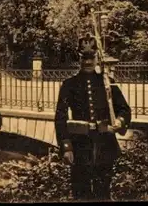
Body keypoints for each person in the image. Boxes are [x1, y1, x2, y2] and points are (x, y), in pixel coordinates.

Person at [54, 33, 132, 201]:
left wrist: (120, 121)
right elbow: (60, 117)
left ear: (97, 58)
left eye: (91, 58)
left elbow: (124, 109)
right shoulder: (69, 85)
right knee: (80, 193)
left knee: (103, 192)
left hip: (105, 145)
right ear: (79, 58)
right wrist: (66, 147)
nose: (88, 62)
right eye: (84, 58)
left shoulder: (107, 83)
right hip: (79, 147)